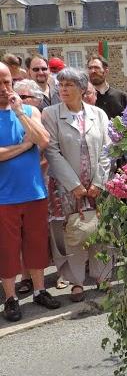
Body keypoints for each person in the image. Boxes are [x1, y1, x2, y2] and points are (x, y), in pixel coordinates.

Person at [42, 67, 112, 302]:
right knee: (72, 232)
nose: (63, 89)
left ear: (82, 89)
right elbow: (52, 151)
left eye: (69, 85)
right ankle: (76, 281)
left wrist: (99, 183)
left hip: (97, 185)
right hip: (65, 187)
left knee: (99, 229)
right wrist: (74, 185)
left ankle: (102, 275)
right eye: (61, 85)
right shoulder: (50, 114)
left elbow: (107, 149)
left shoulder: (98, 114)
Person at [0, 62, 61, 321]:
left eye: (7, 82)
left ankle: (39, 290)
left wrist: (20, 114)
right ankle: (11, 298)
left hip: (34, 192)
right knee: (7, 249)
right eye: (0, 84)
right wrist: (25, 146)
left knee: (36, 245)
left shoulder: (28, 110)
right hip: (4, 197)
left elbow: (44, 140)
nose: (4, 89)